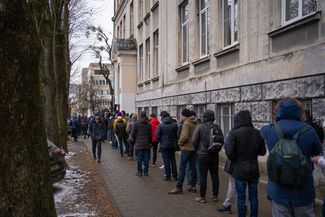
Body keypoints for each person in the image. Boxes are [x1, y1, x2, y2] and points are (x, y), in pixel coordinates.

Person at [261, 98, 322, 217]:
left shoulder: (269, 129)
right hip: (303, 192)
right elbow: (317, 151)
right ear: (300, 111)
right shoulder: (309, 130)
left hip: (278, 191)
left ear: (278, 111)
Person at [224, 110, 265, 217]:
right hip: (253, 169)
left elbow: (229, 152)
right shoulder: (257, 133)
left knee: (241, 197)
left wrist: (236, 158)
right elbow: (263, 151)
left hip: (239, 170)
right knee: (254, 197)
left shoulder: (234, 133)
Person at [192, 110, 224, 203]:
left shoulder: (200, 126)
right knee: (215, 176)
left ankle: (202, 197)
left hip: (202, 155)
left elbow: (194, 140)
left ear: (204, 117)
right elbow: (222, 141)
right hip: (214, 155)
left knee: (203, 176)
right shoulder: (217, 127)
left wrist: (197, 149)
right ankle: (215, 196)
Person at [169, 109, 198, 194]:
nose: (180, 117)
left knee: (182, 168)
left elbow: (184, 136)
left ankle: (178, 187)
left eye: (181, 115)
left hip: (186, 148)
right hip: (194, 148)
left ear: (184, 116)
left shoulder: (186, 123)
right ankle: (193, 186)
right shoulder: (195, 123)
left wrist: (179, 143)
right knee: (193, 168)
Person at [156, 111, 178, 181]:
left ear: (162, 116)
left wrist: (160, 141)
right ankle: (175, 176)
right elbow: (177, 135)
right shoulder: (174, 124)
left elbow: (157, 136)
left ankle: (167, 176)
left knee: (166, 161)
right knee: (173, 160)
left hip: (164, 145)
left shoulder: (161, 125)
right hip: (172, 145)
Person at [131, 111, 152, 176]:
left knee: (139, 158)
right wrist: (149, 142)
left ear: (140, 116)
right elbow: (150, 135)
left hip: (138, 143)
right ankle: (146, 172)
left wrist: (134, 141)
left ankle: (139, 172)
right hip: (146, 144)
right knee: (146, 158)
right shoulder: (148, 124)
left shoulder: (136, 124)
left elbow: (133, 134)